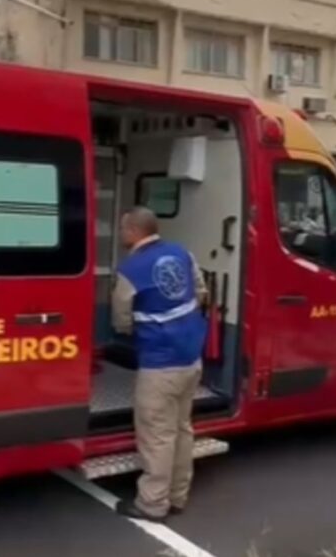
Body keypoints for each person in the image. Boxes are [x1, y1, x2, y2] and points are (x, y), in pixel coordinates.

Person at [111, 206, 208, 522]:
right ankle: (178, 496)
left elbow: (121, 319)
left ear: (134, 231)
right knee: (182, 429)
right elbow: (202, 292)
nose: (122, 234)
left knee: (157, 436)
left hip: (159, 364)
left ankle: (152, 504)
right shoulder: (182, 253)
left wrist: (136, 329)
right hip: (191, 359)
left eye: (124, 229)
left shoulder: (131, 268)